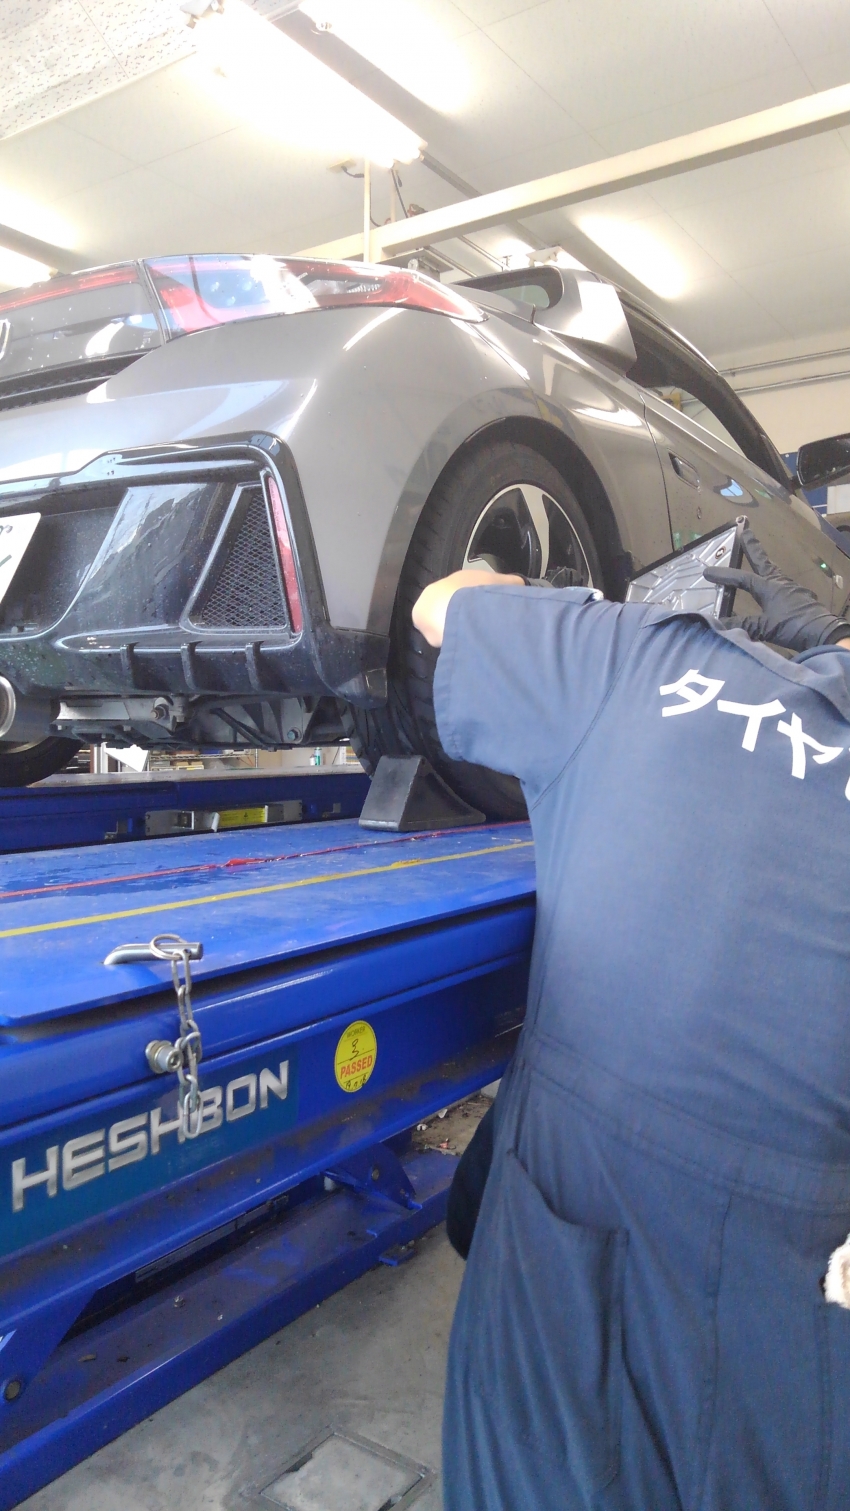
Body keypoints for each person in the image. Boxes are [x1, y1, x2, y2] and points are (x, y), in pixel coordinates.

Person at [412, 528, 850, 1511]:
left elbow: (439, 602)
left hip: (574, 1274)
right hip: (810, 1341)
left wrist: (559, 599)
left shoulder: (634, 657)